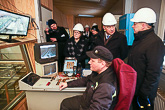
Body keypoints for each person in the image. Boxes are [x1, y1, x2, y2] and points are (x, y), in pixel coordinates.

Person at [127, 8, 165, 110]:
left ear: (143, 25)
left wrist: (143, 94)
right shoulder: (139, 40)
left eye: (135, 24)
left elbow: (153, 72)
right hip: (135, 90)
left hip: (143, 94)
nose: (132, 26)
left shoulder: (155, 43)